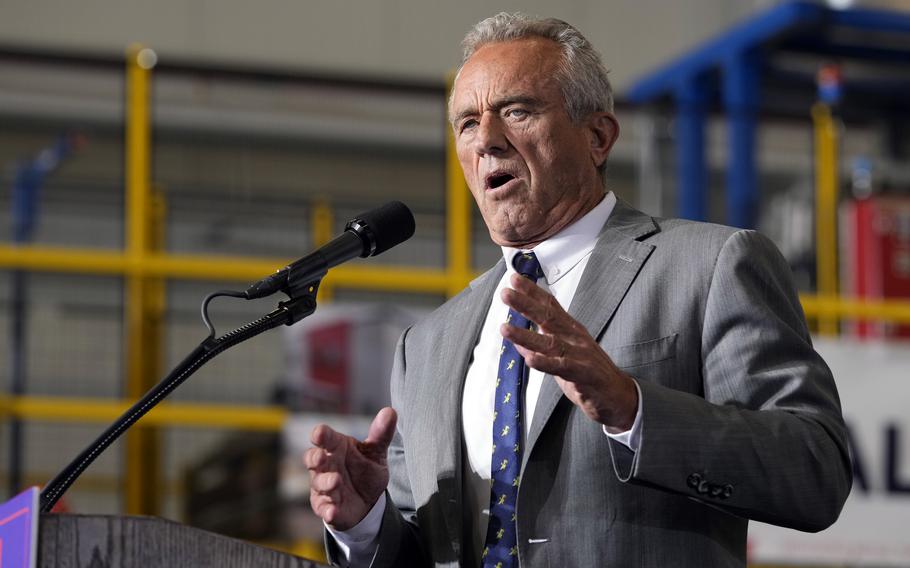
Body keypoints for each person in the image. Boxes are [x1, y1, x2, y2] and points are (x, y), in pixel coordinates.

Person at [305, 13, 852, 568]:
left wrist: (631, 407)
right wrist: (366, 524)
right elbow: (426, 550)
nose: (488, 140)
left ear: (597, 136)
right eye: (467, 123)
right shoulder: (425, 345)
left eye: (516, 111)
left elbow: (814, 472)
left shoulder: (711, 266)